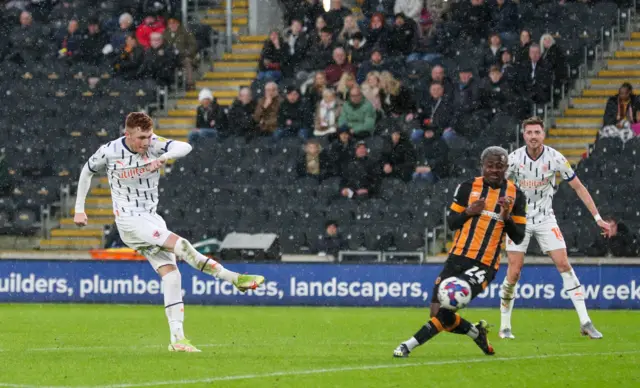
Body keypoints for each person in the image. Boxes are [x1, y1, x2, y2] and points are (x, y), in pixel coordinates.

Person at [73, 112, 264, 353]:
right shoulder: (109, 151)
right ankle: (233, 279)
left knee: (172, 276)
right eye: (141, 137)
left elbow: (185, 147)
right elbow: (86, 171)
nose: (146, 142)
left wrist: (163, 157)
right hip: (129, 221)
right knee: (182, 245)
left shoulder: (154, 146)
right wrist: (79, 209)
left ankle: (178, 340)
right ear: (127, 135)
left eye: (149, 136)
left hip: (152, 219)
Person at [393, 146, 527, 358]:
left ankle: (407, 346)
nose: (494, 170)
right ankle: (476, 333)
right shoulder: (467, 187)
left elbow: (519, 236)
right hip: (457, 258)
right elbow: (452, 222)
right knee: (437, 313)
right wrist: (468, 211)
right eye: (490, 166)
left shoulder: (516, 195)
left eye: (499, 166)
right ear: (482, 166)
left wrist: (506, 216)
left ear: (506, 168)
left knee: (446, 313)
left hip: (484, 265)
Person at [498, 117, 612, 340]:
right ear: (524, 135)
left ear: (543, 134)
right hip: (519, 220)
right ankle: (504, 326)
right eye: (529, 132)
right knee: (514, 272)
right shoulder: (513, 159)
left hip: (545, 218)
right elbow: (496, 185)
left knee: (564, 264)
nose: (533, 136)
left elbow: (579, 187)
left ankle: (585, 322)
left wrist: (597, 217)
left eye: (537, 132)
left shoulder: (556, 158)